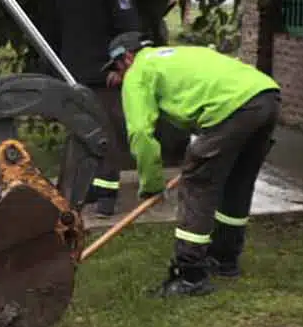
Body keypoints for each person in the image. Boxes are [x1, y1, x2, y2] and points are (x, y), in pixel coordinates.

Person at [104, 32, 281, 297]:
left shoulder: (138, 71)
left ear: (127, 57)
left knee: (197, 184)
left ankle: (190, 274)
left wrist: (152, 184)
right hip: (266, 96)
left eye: (117, 68)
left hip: (233, 108)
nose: (118, 76)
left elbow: (140, 134)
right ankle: (224, 259)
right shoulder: (179, 54)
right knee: (238, 183)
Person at [37, 0, 144, 217]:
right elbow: (52, 35)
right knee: (79, 136)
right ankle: (82, 190)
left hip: (105, 76)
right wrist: (50, 76)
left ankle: (108, 194)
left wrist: (121, 67)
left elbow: (129, 28)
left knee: (106, 134)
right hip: (71, 76)